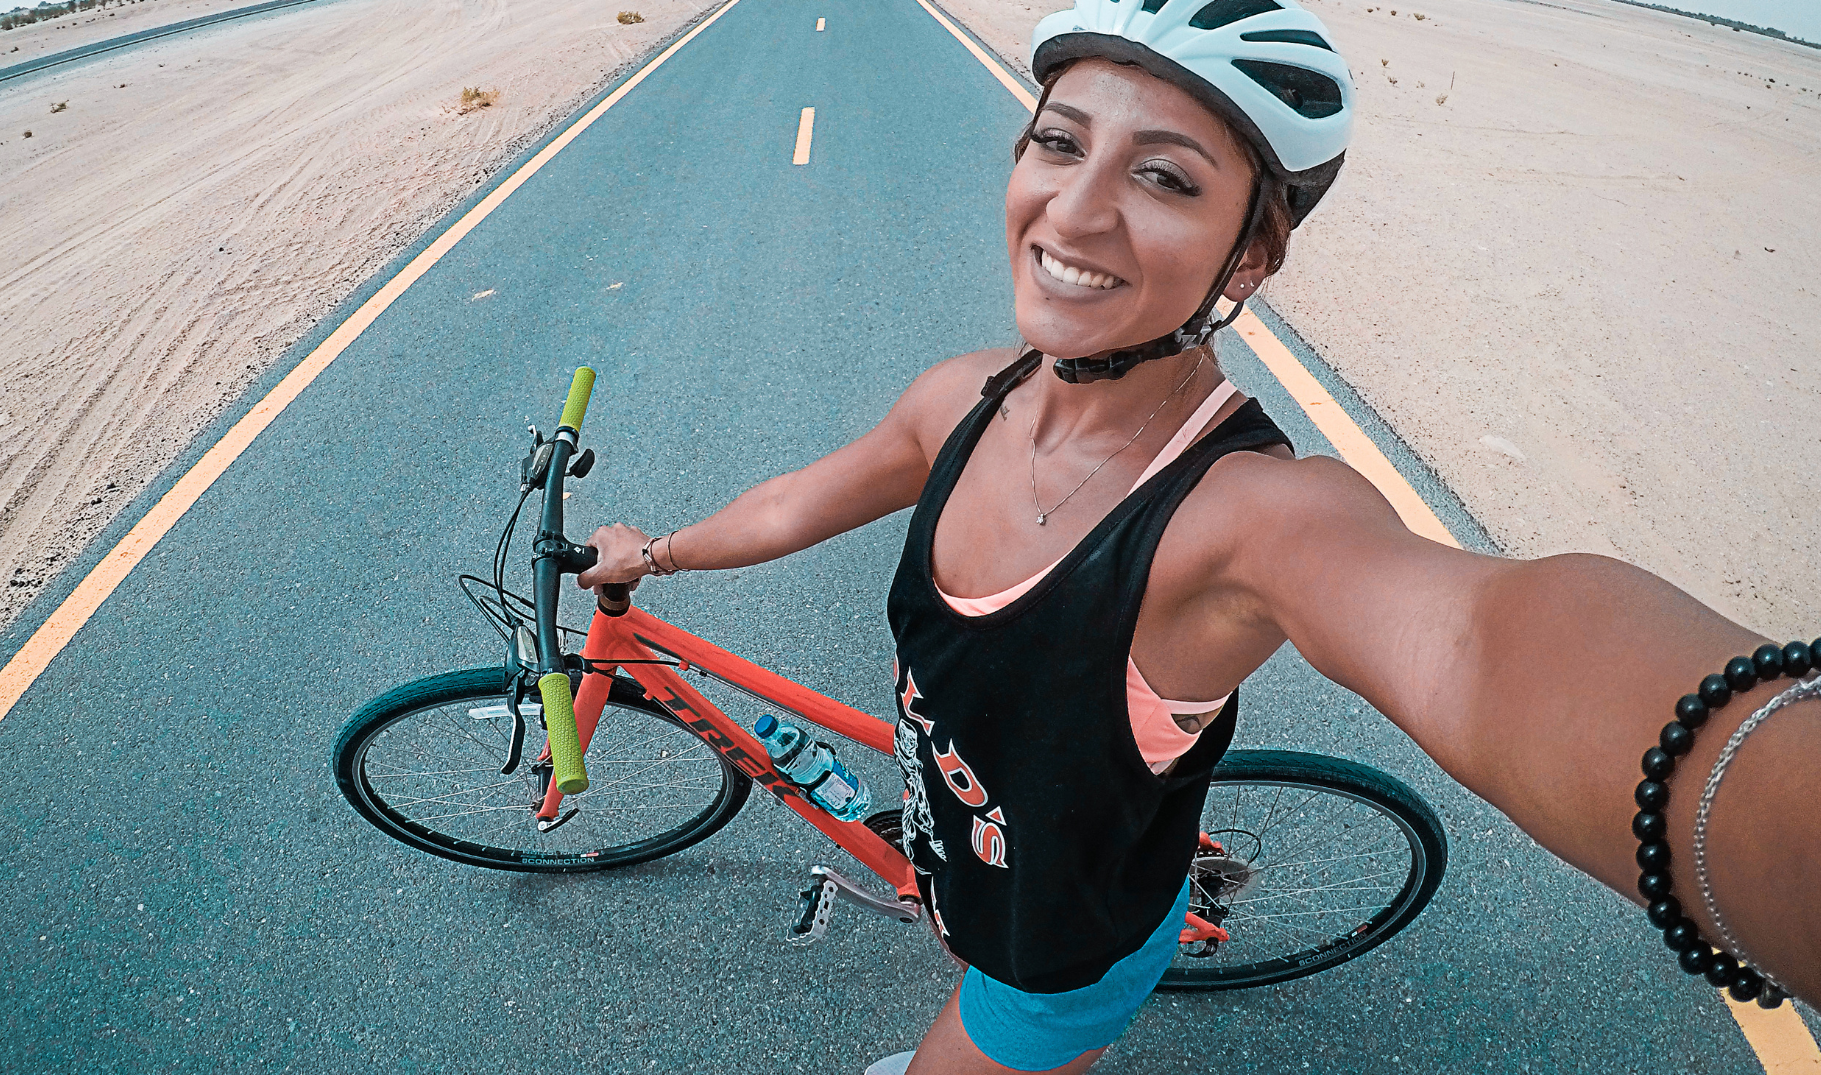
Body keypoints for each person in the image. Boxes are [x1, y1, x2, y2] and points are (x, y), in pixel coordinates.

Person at [578, 0, 1820, 1069]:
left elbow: (1484, 644)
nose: (1074, 208)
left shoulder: (1248, 519)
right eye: (1057, 143)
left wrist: (1770, 790)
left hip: (1049, 960)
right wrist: (661, 550)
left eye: (1163, 176)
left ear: (1252, 252)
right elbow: (800, 497)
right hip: (979, 859)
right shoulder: (959, 399)